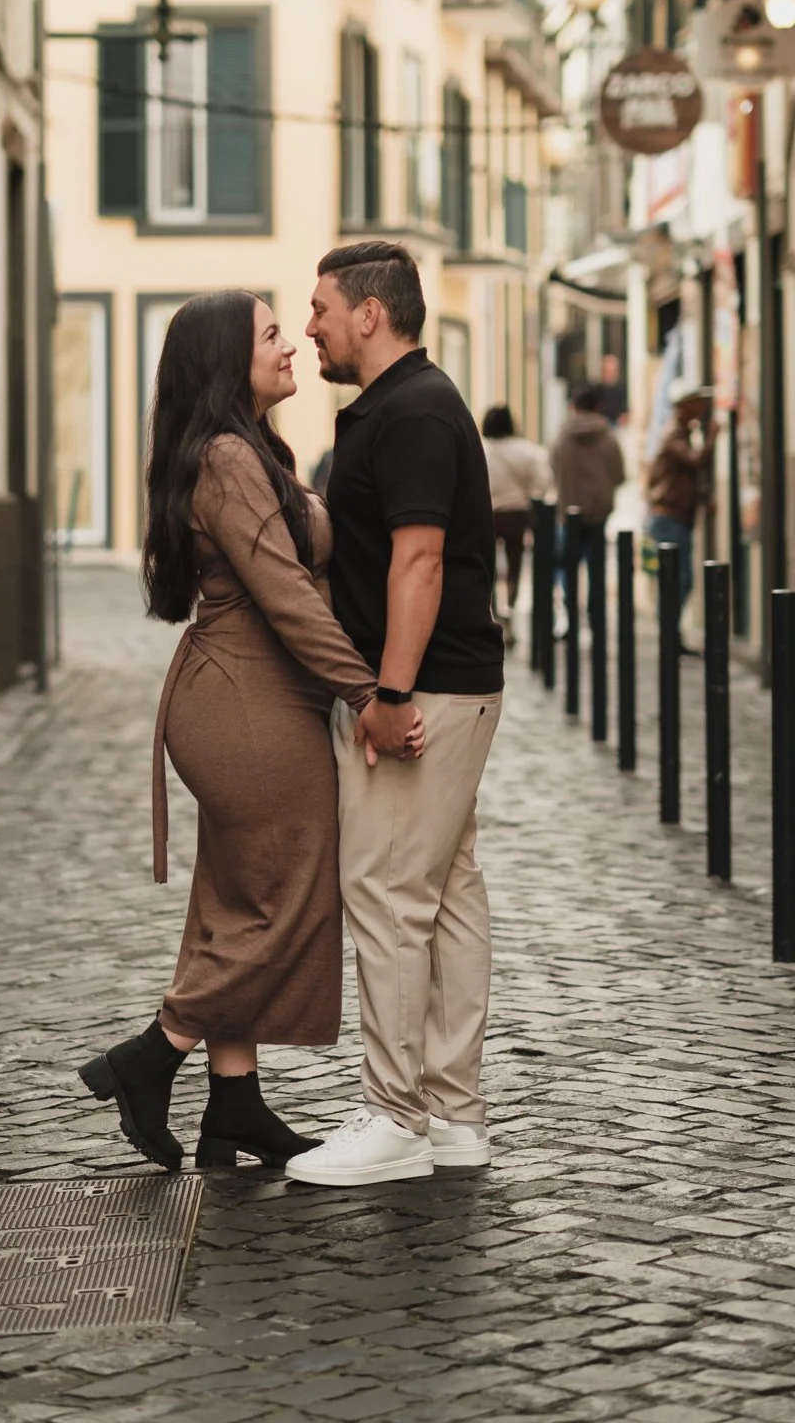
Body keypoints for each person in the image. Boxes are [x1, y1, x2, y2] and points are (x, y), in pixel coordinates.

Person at [78, 291, 421, 1173]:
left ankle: (234, 1105)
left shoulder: (251, 449)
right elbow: (286, 596)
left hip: (246, 698)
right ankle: (153, 1052)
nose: (291, 344)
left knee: (235, 902)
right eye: (271, 334)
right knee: (289, 894)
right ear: (228, 361)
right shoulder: (229, 459)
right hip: (246, 705)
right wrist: (368, 694)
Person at [287, 241, 506, 1188]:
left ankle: (396, 1117)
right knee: (445, 895)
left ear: (369, 314)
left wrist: (389, 694)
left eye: (321, 309)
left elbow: (419, 559)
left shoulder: (411, 409)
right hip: (450, 682)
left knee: (384, 894)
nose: (311, 327)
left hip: (427, 689)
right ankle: (450, 1116)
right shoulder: (407, 403)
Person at [550, 386, 626, 635]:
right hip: (598, 511)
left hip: (568, 511)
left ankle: (571, 617)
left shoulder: (561, 436)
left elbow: (553, 469)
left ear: (573, 407)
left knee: (568, 566)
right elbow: (619, 474)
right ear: (598, 407)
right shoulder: (608, 436)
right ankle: (597, 622)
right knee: (597, 568)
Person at [645, 381, 718, 637]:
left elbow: (688, 475)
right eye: (697, 403)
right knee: (676, 579)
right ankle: (669, 635)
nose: (702, 408)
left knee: (680, 579)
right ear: (684, 406)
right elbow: (694, 461)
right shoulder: (673, 434)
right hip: (668, 517)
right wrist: (712, 438)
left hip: (678, 516)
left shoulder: (683, 433)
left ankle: (671, 634)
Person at [480, 404, 552, 637]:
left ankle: (492, 612)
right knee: (515, 563)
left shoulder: (480, 449)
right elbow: (542, 482)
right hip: (516, 513)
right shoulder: (526, 450)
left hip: (486, 514)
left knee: (487, 566)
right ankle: (510, 606)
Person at [596, 352, 628, 426]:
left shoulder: (622, 389)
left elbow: (625, 411)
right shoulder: (597, 390)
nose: (609, 375)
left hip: (617, 424)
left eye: (612, 371)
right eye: (607, 371)